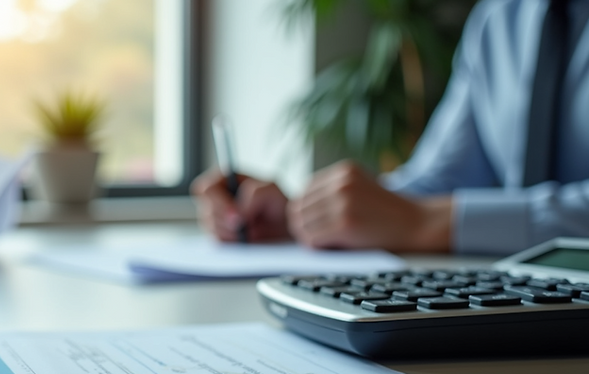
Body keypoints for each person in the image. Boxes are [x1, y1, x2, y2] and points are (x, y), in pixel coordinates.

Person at [195, 0, 589, 256]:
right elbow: (433, 184)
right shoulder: (499, 19)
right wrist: (307, 215)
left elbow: (420, 217)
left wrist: (425, 222)